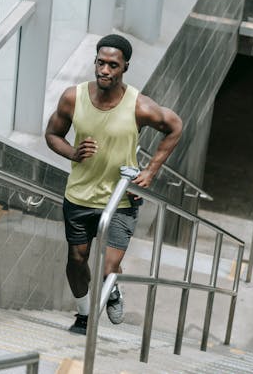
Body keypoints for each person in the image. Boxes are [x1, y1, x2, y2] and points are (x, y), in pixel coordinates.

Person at [44, 34, 183, 335]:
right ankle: (84, 315)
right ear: (95, 62)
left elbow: (174, 126)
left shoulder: (139, 106)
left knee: (109, 267)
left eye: (113, 65)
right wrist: (72, 152)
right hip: (79, 196)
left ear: (125, 68)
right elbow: (52, 134)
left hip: (121, 200)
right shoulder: (73, 97)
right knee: (77, 258)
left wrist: (152, 170)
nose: (105, 70)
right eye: (101, 63)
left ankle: (113, 288)